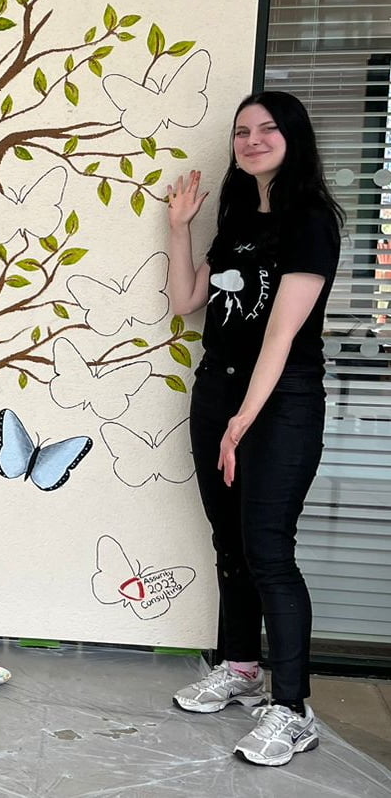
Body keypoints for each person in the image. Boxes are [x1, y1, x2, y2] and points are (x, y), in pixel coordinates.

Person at [164, 90, 344, 767]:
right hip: (218, 393)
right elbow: (187, 304)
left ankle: (292, 709)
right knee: (230, 545)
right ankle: (240, 668)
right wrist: (180, 228)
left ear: (293, 137)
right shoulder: (237, 217)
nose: (253, 139)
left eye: (268, 128)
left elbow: (281, 332)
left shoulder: (311, 220)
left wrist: (245, 419)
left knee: (268, 548)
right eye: (243, 131)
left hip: (282, 402)